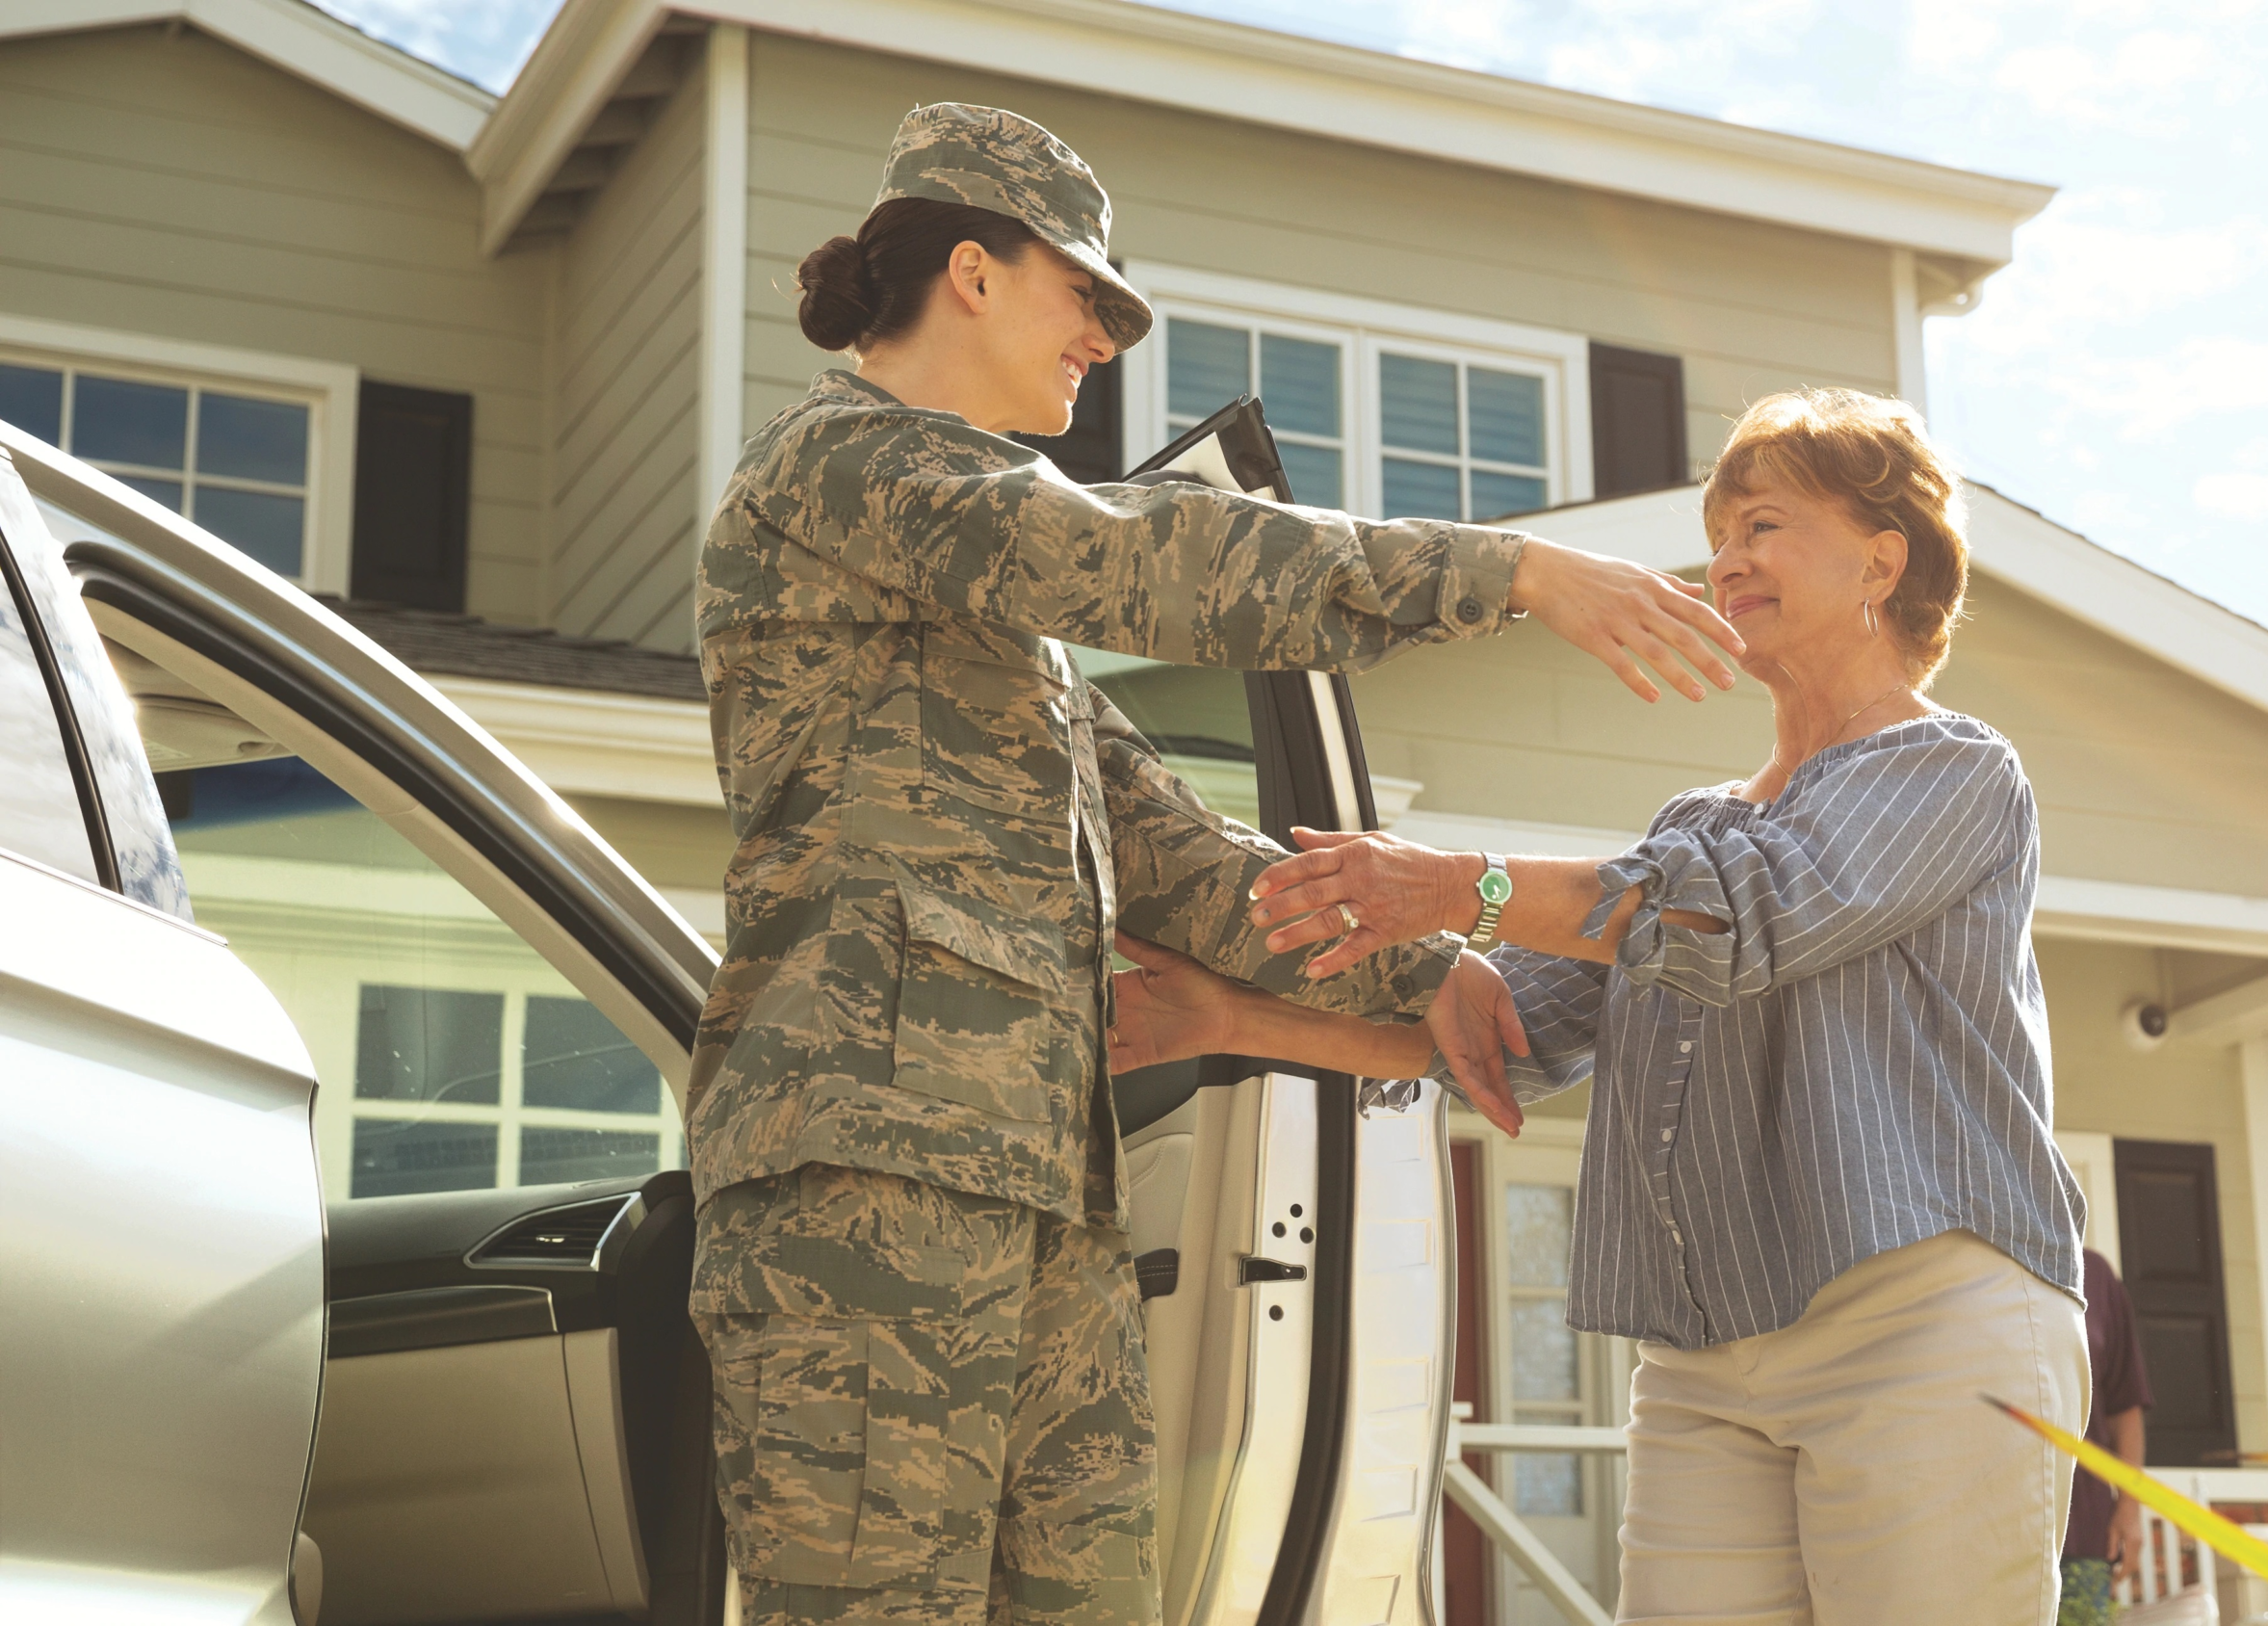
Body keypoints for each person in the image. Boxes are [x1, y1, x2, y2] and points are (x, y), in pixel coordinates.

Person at [687, 102, 1743, 1626]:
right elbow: (1136, 557)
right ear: (971, 273)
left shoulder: (996, 626)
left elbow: (1193, 874)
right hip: (868, 1179)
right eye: (1087, 298)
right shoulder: (847, 471)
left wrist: (1448, 971)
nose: (1103, 341)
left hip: (1046, 1194)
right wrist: (1502, 568)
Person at [1108, 387, 2094, 1622]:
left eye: (1766, 526)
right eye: (1720, 532)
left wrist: (1452, 885)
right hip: (1704, 1357)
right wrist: (1228, 1023)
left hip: (1921, 1321)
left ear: (1880, 562)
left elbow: (1742, 912)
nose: (1727, 560)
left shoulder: (1950, 768)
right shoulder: (1695, 824)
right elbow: (1501, 1035)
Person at [2059, 1248, 2154, 1626]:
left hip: (2082, 1535)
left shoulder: (2093, 1273)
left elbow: (2124, 1407)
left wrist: (2129, 1510)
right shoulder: (1963, 1259)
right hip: (1982, 1531)